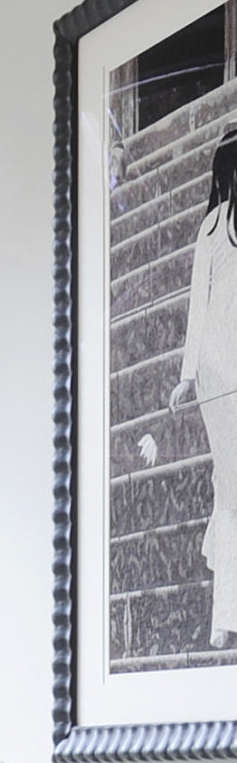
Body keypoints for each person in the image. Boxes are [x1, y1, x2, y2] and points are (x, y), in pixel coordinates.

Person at [172, 132, 237, 642]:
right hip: (220, 375)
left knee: (230, 487)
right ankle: (223, 618)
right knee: (231, 487)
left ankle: (224, 619)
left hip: (225, 370)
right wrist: (187, 375)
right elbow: (198, 308)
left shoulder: (217, 226)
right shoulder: (212, 228)